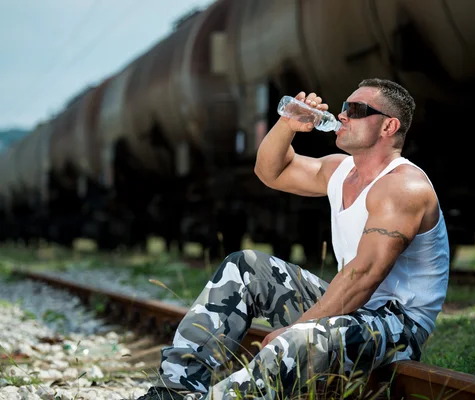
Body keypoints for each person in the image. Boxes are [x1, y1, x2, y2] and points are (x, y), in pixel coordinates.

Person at [135, 78, 450, 400]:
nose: (342, 116)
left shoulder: (403, 187)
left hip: (398, 325)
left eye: (355, 110)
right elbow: (270, 171)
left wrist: (298, 327)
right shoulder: (340, 171)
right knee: (245, 266)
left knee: (295, 342)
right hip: (353, 310)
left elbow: (365, 274)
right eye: (343, 108)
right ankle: (174, 389)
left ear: (389, 126)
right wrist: (287, 125)